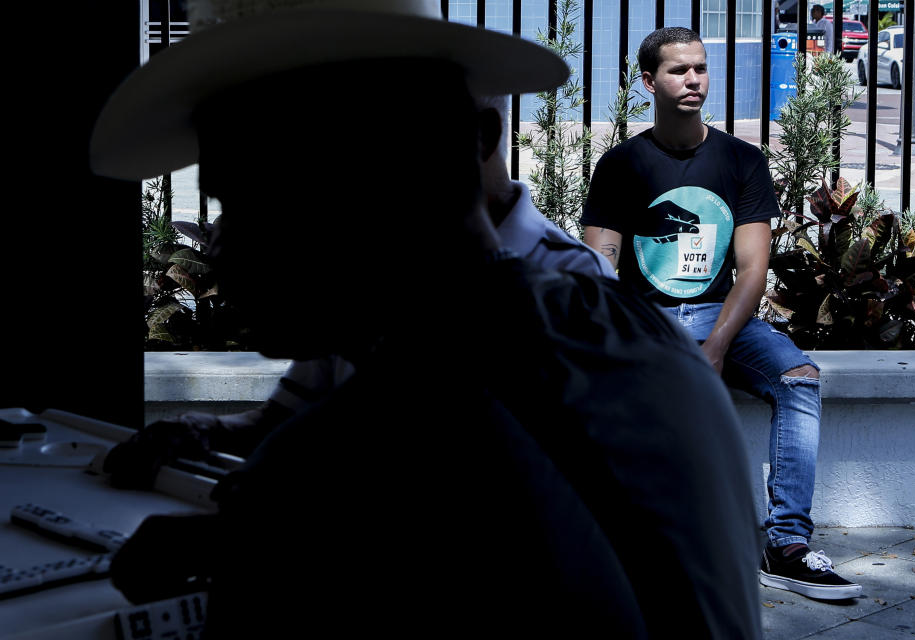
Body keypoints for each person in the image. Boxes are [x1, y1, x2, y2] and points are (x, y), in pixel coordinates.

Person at [93, 2, 763, 637]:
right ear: (477, 143)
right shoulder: (633, 338)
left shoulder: (333, 468)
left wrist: (270, 532)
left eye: (250, 196)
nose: (219, 244)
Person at [104, 92, 617, 485]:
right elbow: (287, 420)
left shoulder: (577, 289)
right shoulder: (374, 281)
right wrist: (197, 433)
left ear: (478, 138)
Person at [581, 26, 862, 602]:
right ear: (647, 82)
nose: (693, 80)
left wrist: (713, 349)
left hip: (720, 315)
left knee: (798, 377)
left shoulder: (741, 161)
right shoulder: (621, 166)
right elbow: (597, 268)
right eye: (678, 70)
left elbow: (752, 272)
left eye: (700, 69)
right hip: (646, 319)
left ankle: (785, 546)